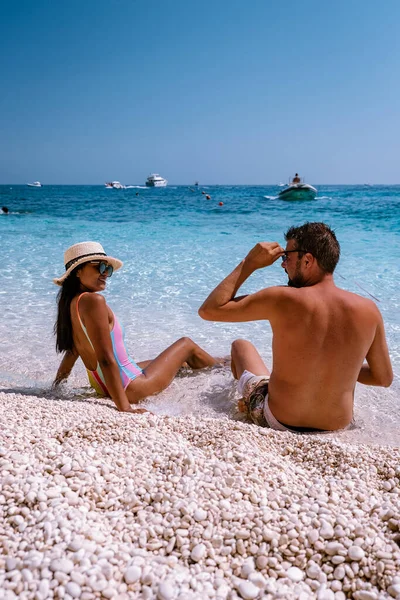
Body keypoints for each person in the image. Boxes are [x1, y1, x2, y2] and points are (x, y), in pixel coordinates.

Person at [199, 222, 393, 432]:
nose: (283, 265)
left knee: (240, 346)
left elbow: (209, 310)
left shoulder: (282, 298)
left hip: (279, 420)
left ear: (308, 260)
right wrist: (338, 367)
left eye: (286, 257)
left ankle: (233, 388)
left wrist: (250, 263)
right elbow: (382, 378)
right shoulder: (369, 310)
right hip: (336, 426)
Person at [53, 241, 219, 413]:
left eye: (108, 269)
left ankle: (220, 363)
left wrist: (57, 386)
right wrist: (125, 407)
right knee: (187, 344)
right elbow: (105, 359)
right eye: (100, 267)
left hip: (102, 385)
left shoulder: (71, 303)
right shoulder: (94, 301)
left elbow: (73, 350)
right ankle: (222, 373)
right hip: (131, 388)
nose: (105, 274)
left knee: (181, 363)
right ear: (78, 271)